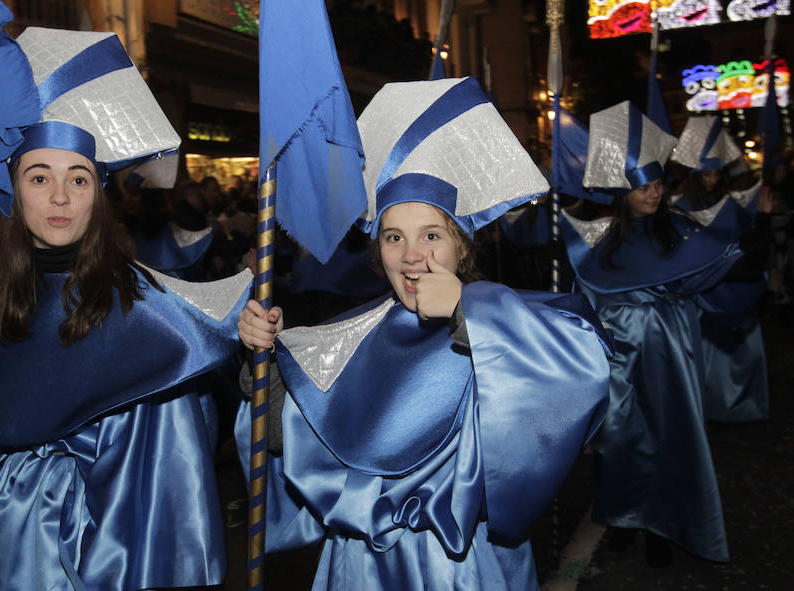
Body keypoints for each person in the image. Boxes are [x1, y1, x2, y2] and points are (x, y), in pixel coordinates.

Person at [0, 12, 251, 590]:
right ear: (14, 190)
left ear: (99, 195)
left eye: (78, 179)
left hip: (106, 557)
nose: (59, 196)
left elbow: (167, 482)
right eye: (39, 177)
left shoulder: (152, 318)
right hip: (9, 546)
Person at [236, 77, 612, 590]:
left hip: (461, 567)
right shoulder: (346, 336)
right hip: (358, 568)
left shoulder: (506, 326)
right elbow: (282, 439)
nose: (411, 255)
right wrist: (263, 363)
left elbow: (575, 379)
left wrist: (466, 309)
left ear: (462, 247)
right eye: (394, 237)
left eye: (431, 235)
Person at [560, 101, 771, 568]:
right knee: (618, 441)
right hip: (617, 354)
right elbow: (584, 299)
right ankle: (623, 517)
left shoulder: (679, 230)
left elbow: (713, 275)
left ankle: (663, 523)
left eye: (658, 184)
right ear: (622, 191)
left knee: (669, 436)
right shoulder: (597, 238)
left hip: (669, 350)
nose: (654, 193)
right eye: (644, 187)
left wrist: (753, 247)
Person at [671, 115, 771, 423]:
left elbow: (748, 243)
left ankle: (741, 406)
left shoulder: (732, 203)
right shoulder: (679, 205)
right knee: (706, 356)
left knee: (739, 352)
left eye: (716, 173)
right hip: (703, 291)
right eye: (706, 174)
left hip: (733, 286)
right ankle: (709, 406)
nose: (712, 179)